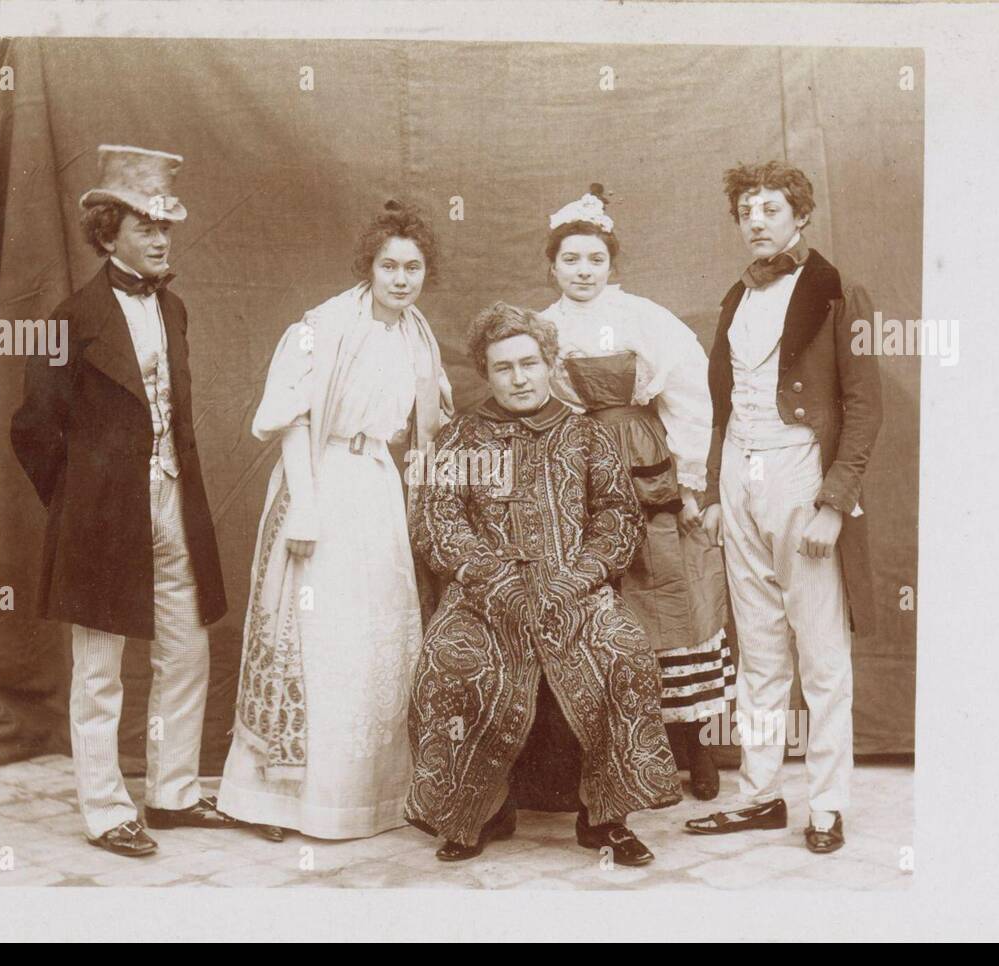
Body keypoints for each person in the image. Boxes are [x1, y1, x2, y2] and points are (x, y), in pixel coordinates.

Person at [10, 144, 237, 857]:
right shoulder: (68, 318)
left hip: (174, 501)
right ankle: (106, 808)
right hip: (102, 514)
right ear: (109, 233)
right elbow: (32, 430)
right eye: (147, 226)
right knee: (100, 669)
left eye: (167, 226)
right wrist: (80, 501)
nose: (163, 238)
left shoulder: (174, 309)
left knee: (187, 650)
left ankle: (171, 793)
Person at [405, 302, 680, 867]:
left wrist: (575, 578)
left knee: (621, 652)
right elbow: (438, 522)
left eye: (529, 363)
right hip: (485, 598)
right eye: (504, 367)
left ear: (549, 363)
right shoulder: (463, 438)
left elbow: (618, 517)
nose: (519, 378)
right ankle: (475, 810)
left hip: (575, 593)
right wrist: (494, 580)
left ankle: (605, 815)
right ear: (486, 371)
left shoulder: (586, 435)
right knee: (449, 660)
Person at [217, 201, 453, 841]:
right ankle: (275, 801)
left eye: (413, 267)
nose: (401, 279)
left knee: (369, 641)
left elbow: (428, 430)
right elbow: (292, 419)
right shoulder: (322, 327)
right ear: (368, 268)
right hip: (319, 478)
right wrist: (306, 505)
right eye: (389, 266)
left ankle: (364, 800)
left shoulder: (417, 337)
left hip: (377, 486)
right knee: (311, 636)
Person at [685, 160, 882, 853]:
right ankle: (760, 795)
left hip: (803, 475)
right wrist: (715, 491)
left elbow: (863, 406)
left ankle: (827, 804)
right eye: (746, 211)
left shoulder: (836, 292)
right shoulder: (735, 299)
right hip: (741, 475)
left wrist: (835, 502)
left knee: (823, 655)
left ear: (801, 217)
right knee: (760, 653)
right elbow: (720, 404)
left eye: (771, 209)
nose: (757, 221)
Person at [538, 185, 735, 801]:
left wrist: (689, 481)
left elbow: (690, 398)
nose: (583, 271)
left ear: (611, 264)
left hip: (645, 463)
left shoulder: (645, 318)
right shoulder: (540, 328)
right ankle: (602, 756)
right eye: (570, 259)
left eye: (594, 259)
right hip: (575, 467)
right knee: (595, 599)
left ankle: (695, 750)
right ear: (552, 265)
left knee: (667, 593)